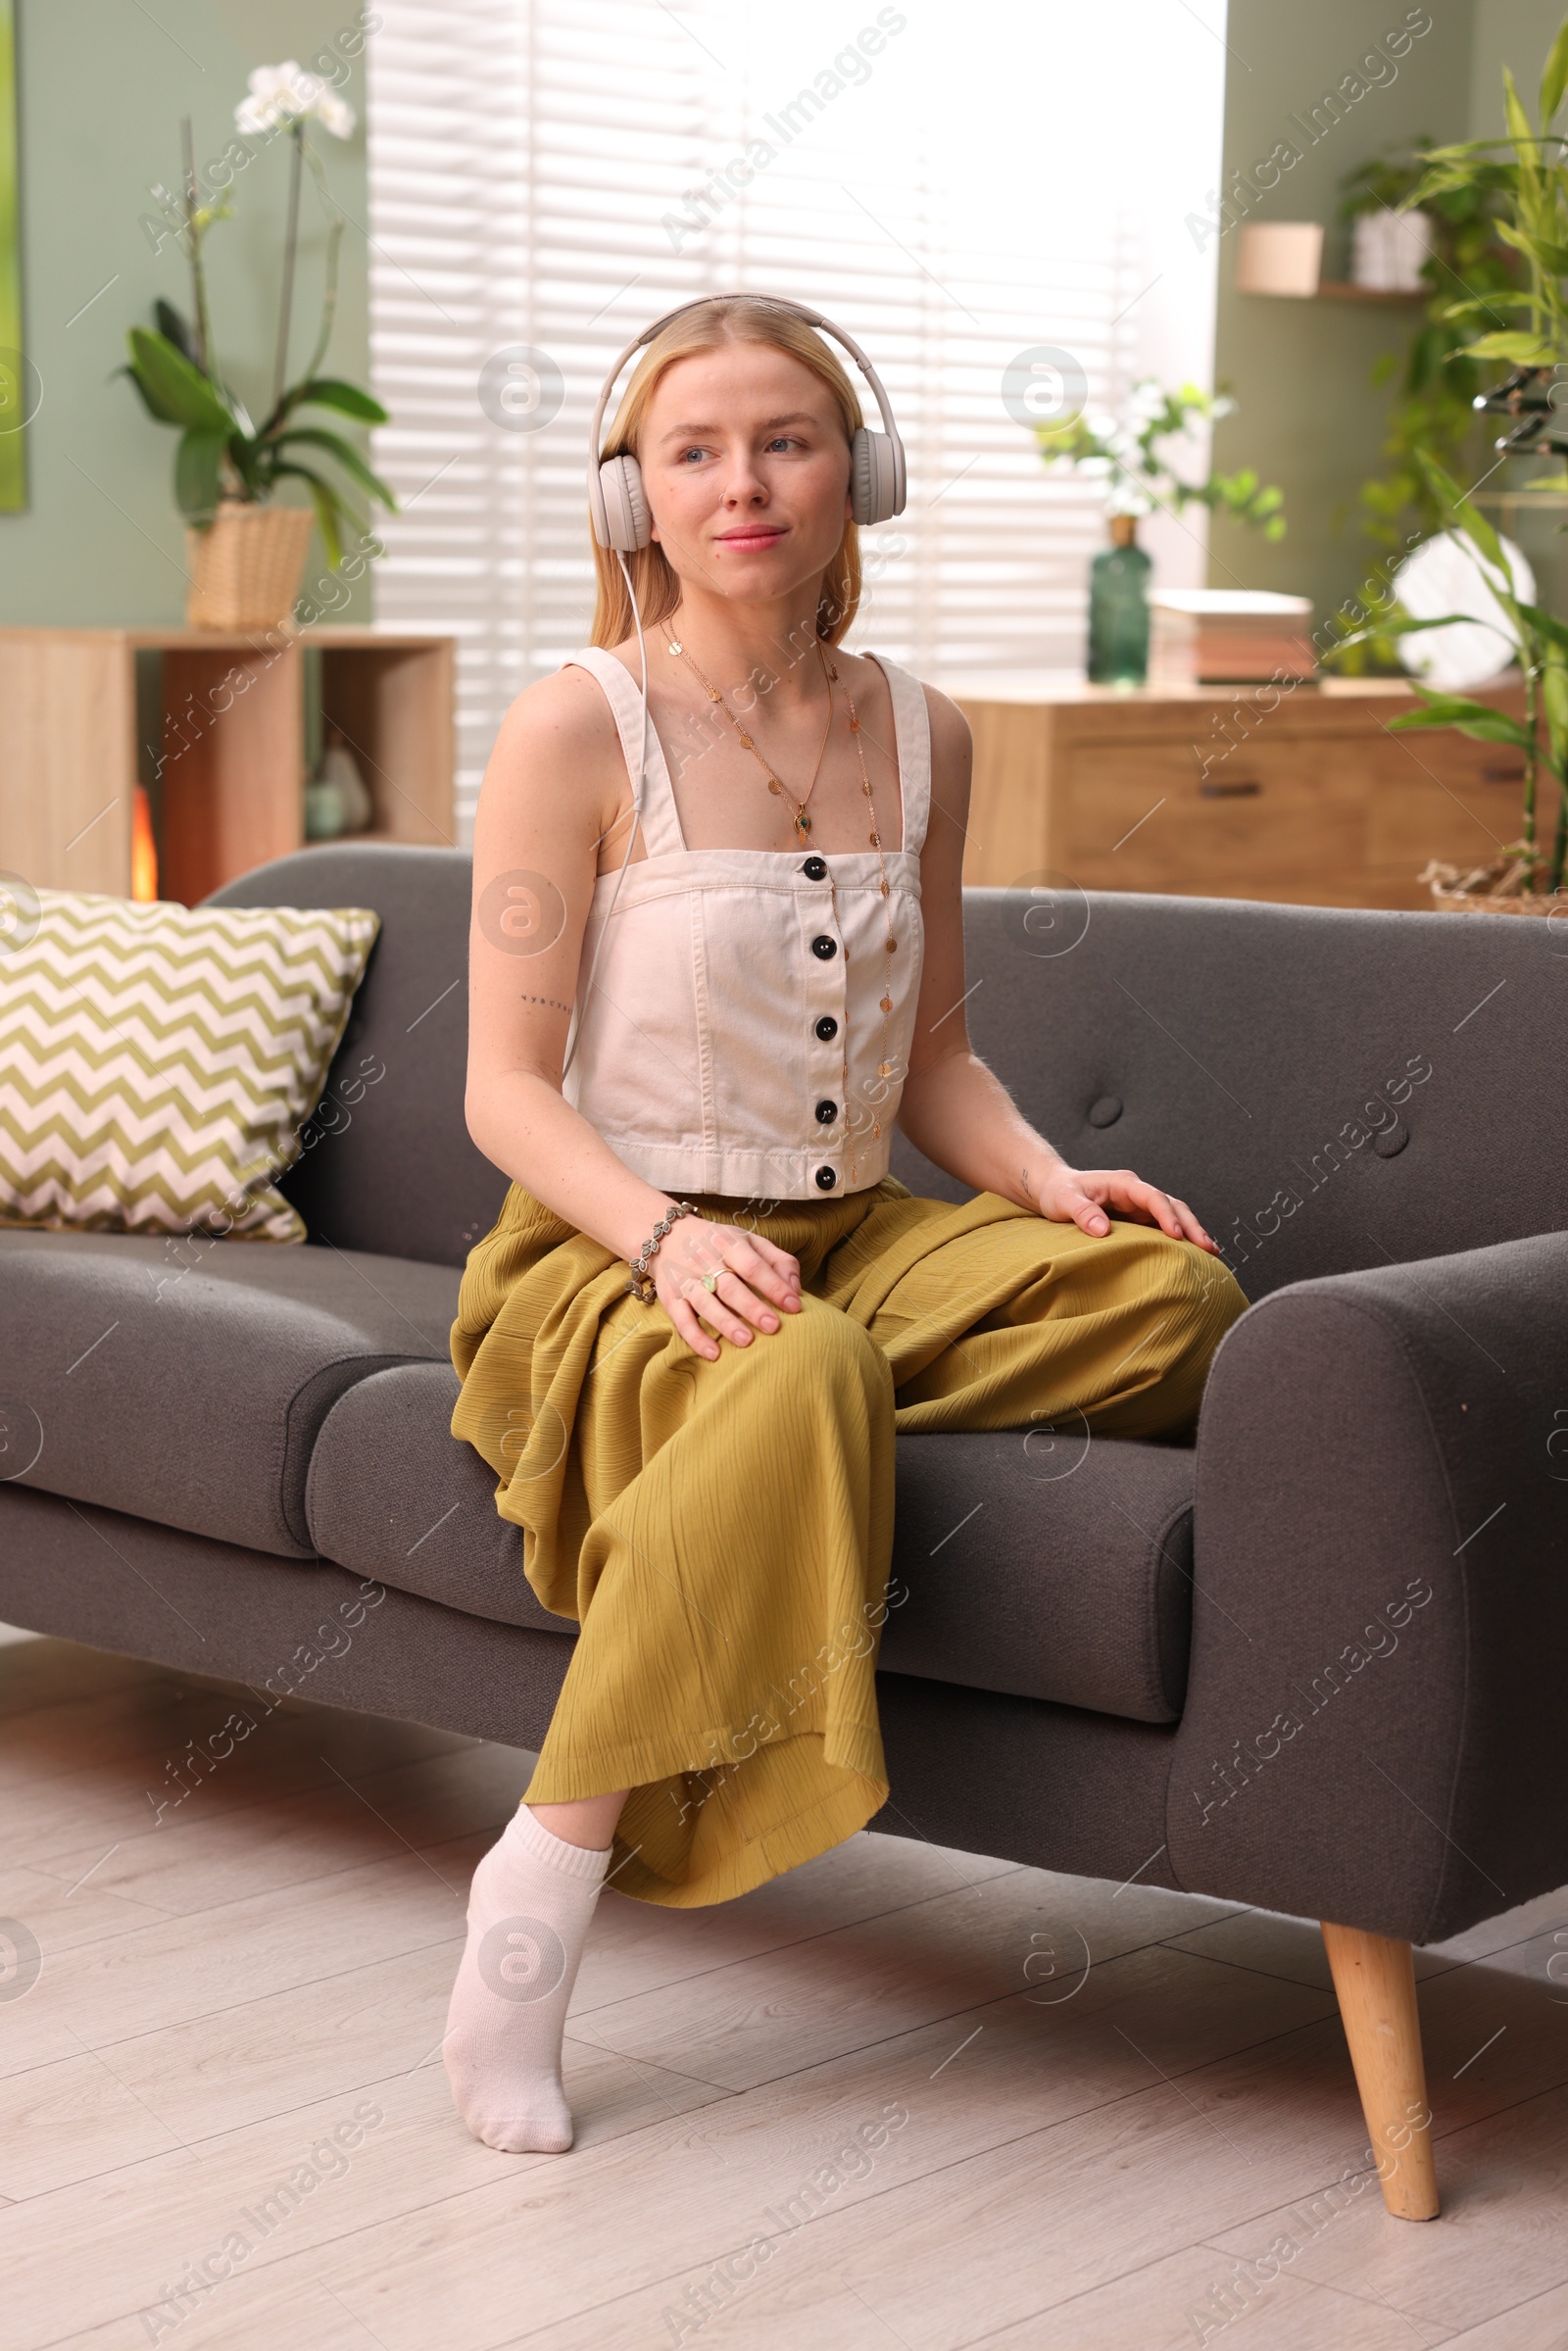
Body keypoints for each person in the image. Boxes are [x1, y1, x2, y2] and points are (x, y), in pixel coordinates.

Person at [441, 294, 1250, 2154]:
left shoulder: (927, 733)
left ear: (859, 472)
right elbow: (504, 1089)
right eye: (697, 450)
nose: (745, 483)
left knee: (1176, 1299)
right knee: (785, 1356)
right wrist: (660, 1243)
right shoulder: (578, 727)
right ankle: (537, 1893)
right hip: (607, 1246)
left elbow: (937, 1052)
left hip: (860, 1227)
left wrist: (1045, 1177)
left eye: (787, 440)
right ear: (634, 493)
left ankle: (783, 1422)